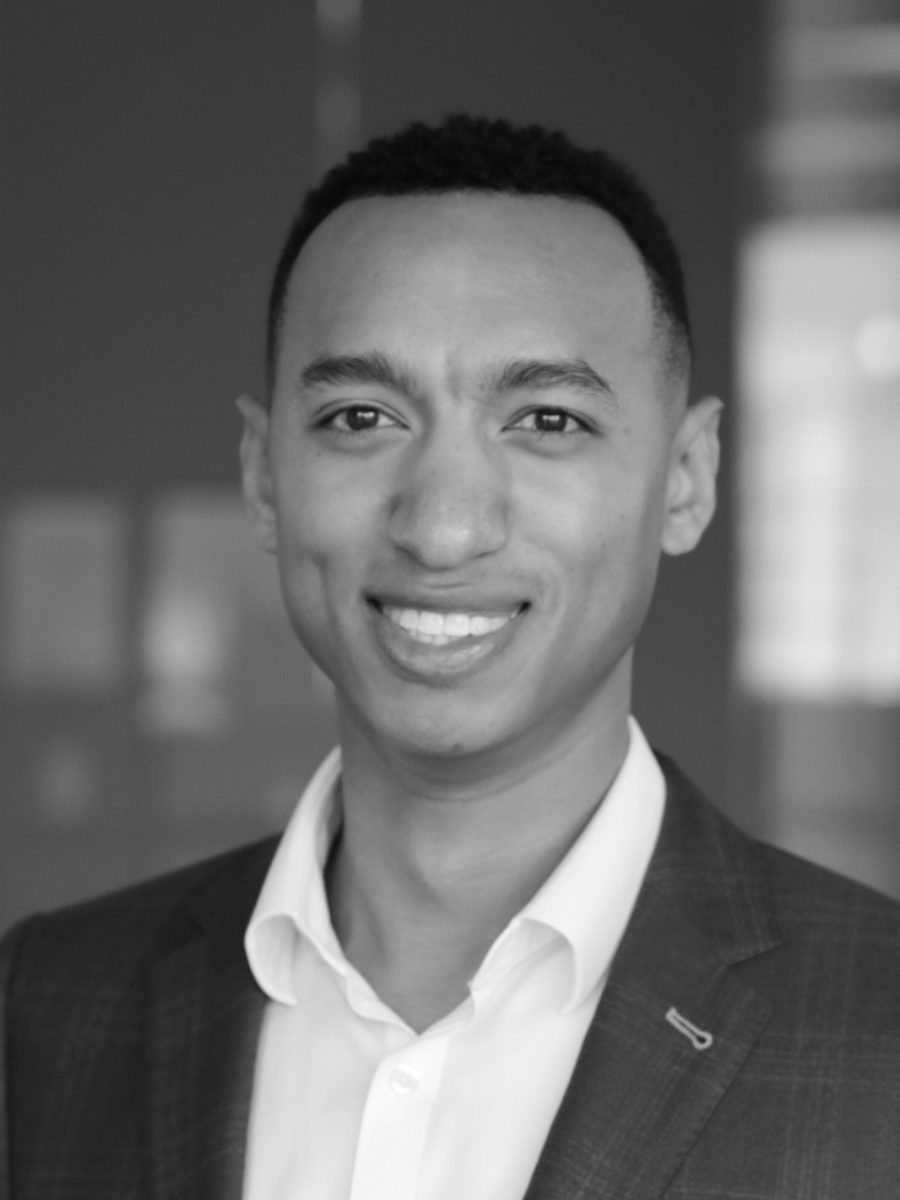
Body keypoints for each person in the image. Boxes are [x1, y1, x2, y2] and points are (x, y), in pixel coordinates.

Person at [1, 114, 899, 1200]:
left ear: (687, 478)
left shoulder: (880, 1027)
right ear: (264, 476)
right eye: (361, 416)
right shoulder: (44, 1007)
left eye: (548, 421)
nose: (442, 528)